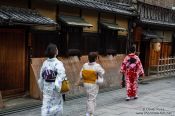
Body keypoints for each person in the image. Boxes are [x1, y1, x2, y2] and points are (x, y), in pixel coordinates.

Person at [38, 43, 66, 116]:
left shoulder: (45, 63)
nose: (57, 50)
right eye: (57, 49)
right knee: (57, 106)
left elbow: (41, 76)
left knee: (46, 105)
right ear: (55, 51)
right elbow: (61, 75)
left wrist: (41, 87)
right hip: (55, 88)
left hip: (46, 88)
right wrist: (58, 86)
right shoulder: (58, 63)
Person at [77, 52, 105, 116]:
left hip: (86, 83)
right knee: (91, 99)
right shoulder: (97, 66)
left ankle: (89, 112)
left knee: (89, 98)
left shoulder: (85, 65)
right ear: (95, 58)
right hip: (93, 84)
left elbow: (81, 75)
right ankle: (89, 113)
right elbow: (102, 73)